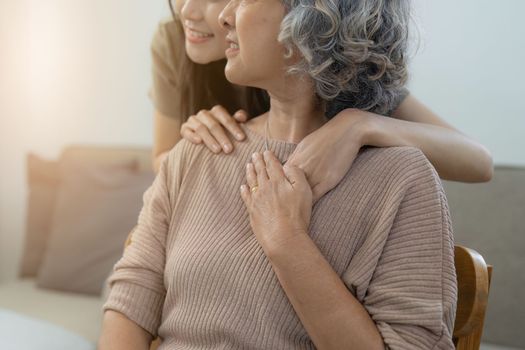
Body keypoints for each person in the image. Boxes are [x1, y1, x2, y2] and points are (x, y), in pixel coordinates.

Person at [99, 0, 457, 349]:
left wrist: (286, 240)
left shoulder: (403, 180)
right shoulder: (194, 151)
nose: (224, 16)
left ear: (311, 20)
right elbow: (132, 298)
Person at [151, 0, 493, 203]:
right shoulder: (172, 42)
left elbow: (478, 162)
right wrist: (192, 145)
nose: (188, 12)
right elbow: (162, 162)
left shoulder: (323, 70)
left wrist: (360, 124)